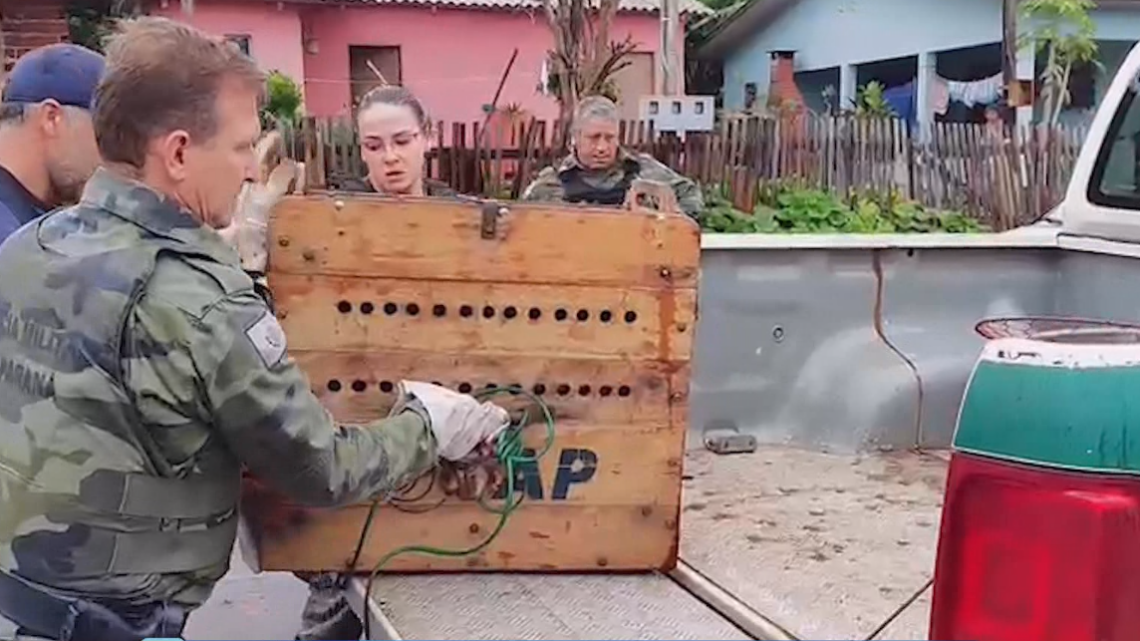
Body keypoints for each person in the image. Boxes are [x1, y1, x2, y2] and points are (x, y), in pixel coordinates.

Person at [0, 16, 510, 641]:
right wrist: (428, 426)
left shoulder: (27, 248)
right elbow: (321, 469)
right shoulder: (202, 303)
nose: (249, 170)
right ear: (180, 152)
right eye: (243, 148)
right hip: (121, 624)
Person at [294, 83, 471, 641]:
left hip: (441, 403)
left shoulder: (465, 221)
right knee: (335, 595)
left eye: (402, 140)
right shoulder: (329, 225)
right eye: (375, 145)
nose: (390, 157)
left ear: (428, 140)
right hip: (357, 407)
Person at [521, 95, 704, 218]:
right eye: (594, 138)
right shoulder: (550, 182)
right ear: (576, 137)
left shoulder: (644, 170)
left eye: (610, 138)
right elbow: (522, 222)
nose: (602, 147)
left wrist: (670, 214)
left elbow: (692, 197)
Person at [0, 43, 105, 241]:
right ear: (51, 118)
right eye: (104, 132)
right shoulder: (8, 234)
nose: (112, 155)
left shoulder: (23, 216)